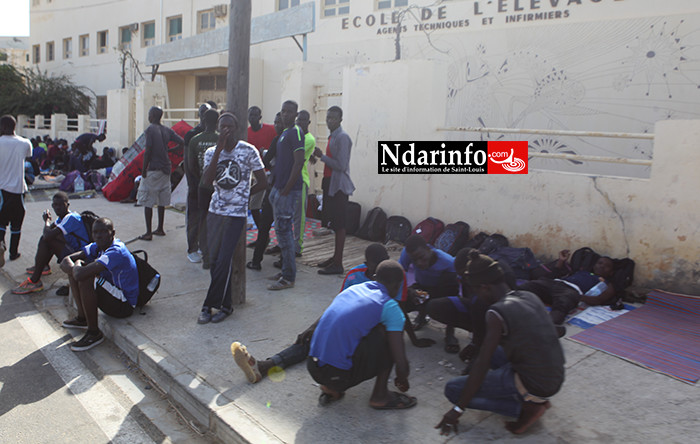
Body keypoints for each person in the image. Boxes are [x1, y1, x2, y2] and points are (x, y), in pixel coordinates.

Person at [436, 251, 565, 436]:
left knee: (454, 390)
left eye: (475, 290)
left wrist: (457, 410)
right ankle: (532, 397)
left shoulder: (496, 313)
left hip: (536, 383)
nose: (476, 295)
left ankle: (522, 408)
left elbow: (481, 365)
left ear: (484, 287)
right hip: (554, 376)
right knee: (496, 352)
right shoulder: (528, 296)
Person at [233, 243, 394, 383]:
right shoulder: (354, 276)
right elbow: (338, 308)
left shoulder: (392, 277)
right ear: (366, 263)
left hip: (368, 333)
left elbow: (396, 316)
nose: (377, 273)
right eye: (375, 267)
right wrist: (313, 328)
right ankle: (264, 366)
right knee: (310, 339)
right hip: (346, 327)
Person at [306, 260, 416, 409]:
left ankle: (330, 387)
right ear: (398, 286)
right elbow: (401, 361)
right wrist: (402, 378)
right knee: (390, 339)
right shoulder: (389, 306)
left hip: (313, 366)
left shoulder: (354, 289)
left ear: (375, 277)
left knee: (365, 330)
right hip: (336, 375)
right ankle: (380, 396)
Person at [197, 113, 267, 324]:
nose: (226, 130)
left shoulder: (248, 151)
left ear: (236, 128)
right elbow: (207, 182)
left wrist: (245, 198)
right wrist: (219, 149)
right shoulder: (211, 152)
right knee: (214, 260)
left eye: (229, 126)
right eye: (222, 127)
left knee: (224, 260)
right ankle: (226, 306)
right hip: (215, 211)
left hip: (235, 214)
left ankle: (208, 305)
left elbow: (263, 182)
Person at [60, 218, 139, 351]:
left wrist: (78, 265)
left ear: (112, 233)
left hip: (123, 304)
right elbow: (65, 260)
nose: (98, 236)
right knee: (77, 271)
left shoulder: (116, 251)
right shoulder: (97, 246)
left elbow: (79, 273)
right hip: (112, 294)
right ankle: (82, 318)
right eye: (95, 232)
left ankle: (94, 333)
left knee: (85, 276)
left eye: (103, 232)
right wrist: (77, 267)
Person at [518, 249, 616, 337]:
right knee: (528, 286)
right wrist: (561, 261)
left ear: (611, 272)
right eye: (600, 263)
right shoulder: (582, 272)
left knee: (562, 305)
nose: (602, 266)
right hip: (554, 283)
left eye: (607, 266)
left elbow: (598, 299)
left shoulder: (605, 283)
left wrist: (578, 297)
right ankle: (506, 307)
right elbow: (555, 273)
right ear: (594, 265)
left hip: (570, 291)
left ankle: (547, 327)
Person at [12, 192, 90, 294]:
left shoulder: (71, 218)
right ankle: (42, 265)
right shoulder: (60, 220)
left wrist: (46, 221)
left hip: (81, 255)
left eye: (61, 205)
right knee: (47, 240)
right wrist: (48, 224)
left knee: (47, 240)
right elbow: (48, 232)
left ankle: (35, 280)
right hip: (73, 251)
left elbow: (47, 235)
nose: (58, 208)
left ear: (68, 205)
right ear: (52, 206)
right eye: (55, 205)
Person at [266, 100, 305, 291]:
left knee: (285, 233)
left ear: (296, 114)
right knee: (281, 232)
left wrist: (287, 188)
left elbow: (299, 162)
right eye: (283, 111)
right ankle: (285, 269)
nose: (285, 114)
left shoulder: (296, 132)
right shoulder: (284, 134)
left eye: (289, 112)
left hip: (288, 191)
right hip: (279, 188)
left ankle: (289, 277)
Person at [398, 234, 460, 350]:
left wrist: (431, 297)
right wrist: (409, 290)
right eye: (414, 260)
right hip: (421, 286)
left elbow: (453, 291)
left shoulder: (447, 262)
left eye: (422, 257)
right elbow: (399, 274)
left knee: (438, 304)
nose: (419, 263)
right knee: (400, 302)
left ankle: (450, 333)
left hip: (441, 288)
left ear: (428, 249)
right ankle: (421, 317)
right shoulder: (407, 253)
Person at [313, 106, 355, 275]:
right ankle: (334, 257)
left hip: (338, 186)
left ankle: (338, 263)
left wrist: (321, 156)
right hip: (330, 183)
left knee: (339, 224)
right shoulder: (333, 136)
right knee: (333, 223)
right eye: (328, 117)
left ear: (340, 119)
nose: (330, 120)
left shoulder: (342, 137)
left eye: (333, 118)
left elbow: (341, 165)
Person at [137, 106, 184, 241]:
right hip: (166, 168)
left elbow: (148, 151)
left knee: (148, 201)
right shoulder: (166, 130)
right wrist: (170, 151)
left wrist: (144, 169)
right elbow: (182, 142)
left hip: (154, 168)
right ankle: (160, 228)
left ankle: (148, 232)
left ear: (152, 116)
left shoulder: (150, 130)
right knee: (162, 201)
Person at [246, 112, 283, 271]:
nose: (277, 125)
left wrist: (266, 155)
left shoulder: (279, 138)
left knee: (275, 223)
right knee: (272, 221)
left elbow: (267, 161)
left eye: (279, 122)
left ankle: (258, 260)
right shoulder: (290, 138)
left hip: (274, 183)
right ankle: (263, 257)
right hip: (272, 182)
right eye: (275, 122)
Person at [185, 108, 219, 264]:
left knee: (201, 219)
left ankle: (204, 255)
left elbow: (190, 165)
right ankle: (213, 252)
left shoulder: (194, 140)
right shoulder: (221, 140)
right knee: (216, 220)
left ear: (204, 120)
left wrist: (201, 179)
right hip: (218, 187)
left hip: (202, 186)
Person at [0, 115, 33, 266]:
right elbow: (28, 156)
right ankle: (13, 253)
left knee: (1, 223)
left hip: (2, 190)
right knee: (16, 225)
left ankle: (1, 246)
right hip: (19, 190)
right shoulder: (25, 143)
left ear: (3, 127)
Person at [246, 106, 277, 249]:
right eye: (250, 115)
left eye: (255, 115)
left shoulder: (270, 130)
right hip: (252, 174)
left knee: (259, 207)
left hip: (267, 173)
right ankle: (263, 237)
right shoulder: (246, 133)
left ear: (260, 116)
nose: (252, 117)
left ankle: (264, 238)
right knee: (254, 207)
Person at [291, 110, 316, 258]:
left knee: (299, 217)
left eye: (303, 120)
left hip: (301, 181)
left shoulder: (309, 139)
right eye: (298, 120)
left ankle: (297, 247)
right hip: (290, 180)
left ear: (308, 123)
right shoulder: (296, 135)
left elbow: (292, 154)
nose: (299, 123)